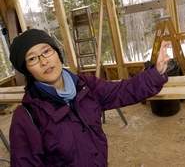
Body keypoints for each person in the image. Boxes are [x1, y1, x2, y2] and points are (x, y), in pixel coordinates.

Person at [9, 29, 169, 167]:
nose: (44, 61)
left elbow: (123, 91)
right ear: (27, 70)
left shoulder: (86, 86)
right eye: (32, 59)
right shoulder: (25, 118)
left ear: (57, 54)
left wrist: (156, 73)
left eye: (46, 51)